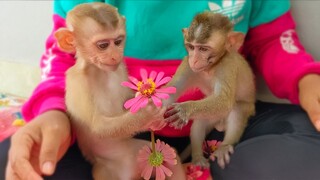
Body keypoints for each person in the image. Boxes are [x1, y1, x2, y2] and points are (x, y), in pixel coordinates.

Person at [2, 0, 320, 179]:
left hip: (219, 122)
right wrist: (55, 112)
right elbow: (67, 58)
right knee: (20, 161)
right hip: (117, 129)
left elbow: (272, 40)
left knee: (304, 158)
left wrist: (305, 79)